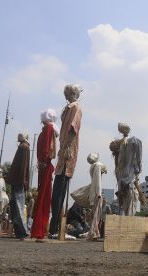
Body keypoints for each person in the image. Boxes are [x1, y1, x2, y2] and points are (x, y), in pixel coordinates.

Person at [49, 84, 83, 237]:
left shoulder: (75, 108)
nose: (65, 95)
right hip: (63, 150)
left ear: (72, 93)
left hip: (68, 152)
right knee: (58, 191)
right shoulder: (68, 107)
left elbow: (72, 128)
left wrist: (68, 148)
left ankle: (55, 227)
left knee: (60, 190)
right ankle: (54, 226)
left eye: (67, 93)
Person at [31, 109, 57, 242]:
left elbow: (46, 148)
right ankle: (39, 229)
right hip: (44, 165)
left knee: (44, 196)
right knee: (43, 195)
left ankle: (40, 230)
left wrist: (43, 161)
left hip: (45, 165)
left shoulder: (48, 128)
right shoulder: (47, 128)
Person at [110, 123, 142, 216]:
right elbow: (139, 158)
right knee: (130, 197)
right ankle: (128, 220)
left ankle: (123, 218)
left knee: (122, 199)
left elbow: (116, 160)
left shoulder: (118, 143)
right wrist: (139, 168)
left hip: (121, 175)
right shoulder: (134, 140)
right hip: (129, 174)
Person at [6, 133, 31, 239]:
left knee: (19, 207)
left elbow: (23, 166)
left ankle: (23, 231)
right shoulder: (22, 146)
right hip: (17, 181)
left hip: (18, 181)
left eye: (20, 135)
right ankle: (19, 231)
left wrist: (22, 181)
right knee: (16, 207)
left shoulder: (24, 147)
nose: (18, 136)